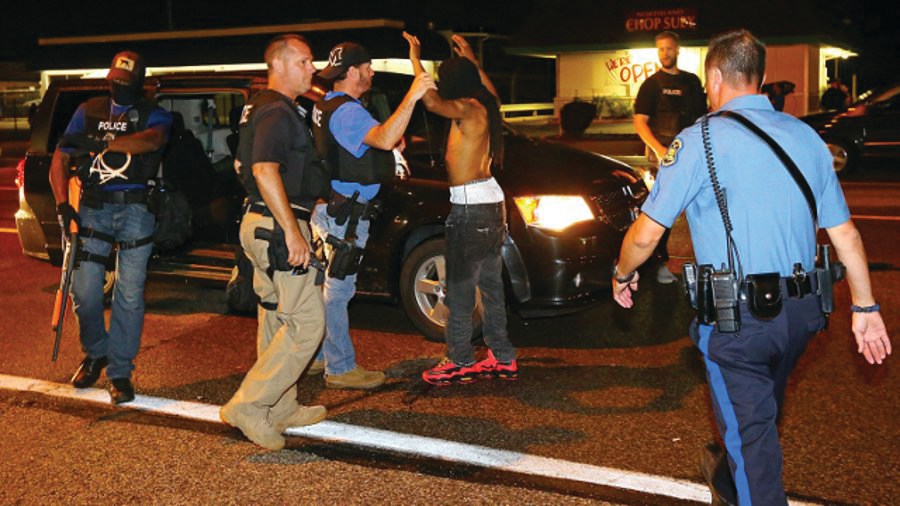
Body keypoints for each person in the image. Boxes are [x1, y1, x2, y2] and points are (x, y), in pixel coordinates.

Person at [612, 30, 891, 505]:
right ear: (760, 78)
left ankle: (742, 483)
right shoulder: (807, 137)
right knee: (755, 415)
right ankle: (725, 476)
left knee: (754, 440)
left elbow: (646, 233)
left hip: (737, 323)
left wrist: (622, 274)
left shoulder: (699, 139)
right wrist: (866, 307)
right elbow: (846, 235)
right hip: (803, 316)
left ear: (714, 77)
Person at [220, 34, 328, 451]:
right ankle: (250, 405)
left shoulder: (258, 108)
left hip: (259, 221)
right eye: (304, 61)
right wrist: (292, 230)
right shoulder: (277, 112)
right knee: (307, 323)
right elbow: (265, 169)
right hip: (277, 225)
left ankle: (280, 406)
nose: (312, 68)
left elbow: (241, 163)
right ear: (279, 65)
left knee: (275, 315)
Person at [49, 51, 172, 405]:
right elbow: (61, 157)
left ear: (139, 82)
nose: (118, 84)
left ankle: (119, 372)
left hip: (135, 209)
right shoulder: (89, 110)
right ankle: (95, 352)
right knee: (85, 291)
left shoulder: (154, 112)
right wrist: (62, 206)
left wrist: (101, 145)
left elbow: (152, 141)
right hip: (92, 208)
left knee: (129, 296)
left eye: (126, 80)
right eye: (114, 78)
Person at [309, 42, 434, 389]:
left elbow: (371, 143)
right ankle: (341, 367)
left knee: (326, 287)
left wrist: (389, 142)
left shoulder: (328, 105)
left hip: (335, 206)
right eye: (367, 66)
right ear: (352, 72)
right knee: (339, 290)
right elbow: (382, 138)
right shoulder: (347, 111)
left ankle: (319, 357)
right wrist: (412, 95)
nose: (372, 72)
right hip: (345, 215)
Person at [405, 32, 518, 386]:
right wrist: (471, 58)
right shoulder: (484, 105)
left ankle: (458, 359)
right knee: (490, 287)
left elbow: (432, 103)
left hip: (471, 209)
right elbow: (492, 92)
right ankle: (502, 357)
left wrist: (415, 60)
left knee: (459, 288)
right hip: (488, 206)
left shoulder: (467, 108)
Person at [633, 31, 707, 284]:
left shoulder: (693, 82)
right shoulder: (651, 85)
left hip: (694, 154)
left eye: (669, 49)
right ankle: (658, 263)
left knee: (702, 207)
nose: (665, 53)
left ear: (678, 50)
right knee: (662, 212)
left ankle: (707, 263)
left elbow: (703, 117)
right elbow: (640, 123)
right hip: (663, 158)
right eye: (660, 49)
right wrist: (659, 150)